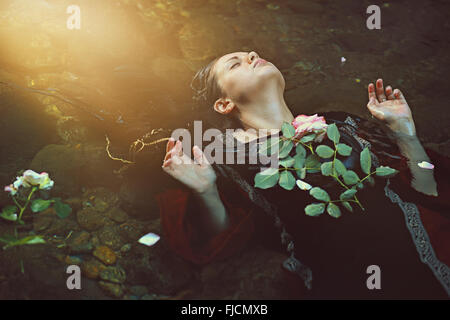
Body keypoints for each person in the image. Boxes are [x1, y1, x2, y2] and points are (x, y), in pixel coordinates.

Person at [157, 51, 450, 299]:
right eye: (236, 64)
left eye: (251, 54)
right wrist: (206, 191)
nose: (252, 56)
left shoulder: (343, 123)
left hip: (427, 257)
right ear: (224, 104)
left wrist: (406, 135)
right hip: (344, 284)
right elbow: (223, 241)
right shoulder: (231, 160)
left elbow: (426, 191)